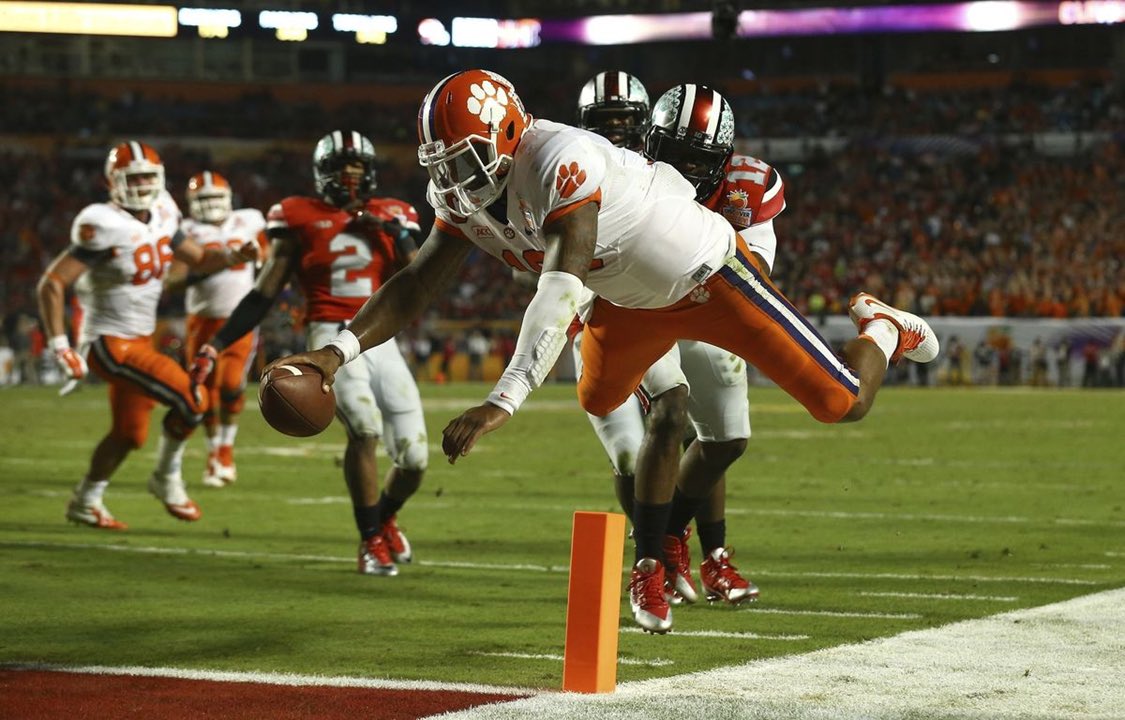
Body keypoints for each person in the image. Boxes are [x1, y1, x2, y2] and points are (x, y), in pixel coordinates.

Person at [264, 70, 938, 634]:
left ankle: (881, 327)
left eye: (467, 160)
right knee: (601, 399)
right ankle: (651, 566)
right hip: (626, 302)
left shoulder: (562, 158)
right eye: (444, 164)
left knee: (839, 402)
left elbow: (558, 287)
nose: (457, 178)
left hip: (707, 277)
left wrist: (503, 401)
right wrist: (336, 353)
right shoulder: (460, 186)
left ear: (507, 136)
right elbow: (415, 283)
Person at [189, 130, 428, 577]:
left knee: (415, 460)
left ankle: (385, 518)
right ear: (323, 175)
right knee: (364, 428)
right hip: (327, 334)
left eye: (357, 169)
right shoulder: (297, 216)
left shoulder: (393, 213)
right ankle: (370, 540)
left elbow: (420, 281)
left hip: (380, 337)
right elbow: (264, 292)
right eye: (341, 169)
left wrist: (397, 236)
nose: (351, 178)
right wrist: (216, 343)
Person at [572, 75, 763, 607]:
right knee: (643, 447)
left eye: (622, 122)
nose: (612, 134)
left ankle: (692, 552)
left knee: (716, 435)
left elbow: (746, 256)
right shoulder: (594, 173)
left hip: (691, 307)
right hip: (616, 314)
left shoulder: (705, 178)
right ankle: (652, 559)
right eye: (600, 124)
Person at [36, 141, 259, 530]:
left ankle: (86, 501)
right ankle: (166, 477)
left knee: (129, 435)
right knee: (195, 398)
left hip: (140, 338)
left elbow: (199, 258)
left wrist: (233, 257)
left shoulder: (163, 211)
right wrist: (60, 346)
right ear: (113, 181)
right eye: (132, 177)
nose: (140, 185)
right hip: (107, 341)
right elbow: (52, 284)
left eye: (146, 177)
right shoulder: (102, 222)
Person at [166, 171, 267, 487]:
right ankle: (214, 452)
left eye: (214, 197)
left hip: (239, 317)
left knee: (231, 383)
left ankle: (226, 448)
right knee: (203, 389)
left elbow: (267, 257)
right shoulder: (186, 230)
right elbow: (173, 280)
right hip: (201, 319)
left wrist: (259, 260)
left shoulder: (249, 220)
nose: (210, 205)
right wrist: (216, 264)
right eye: (203, 199)